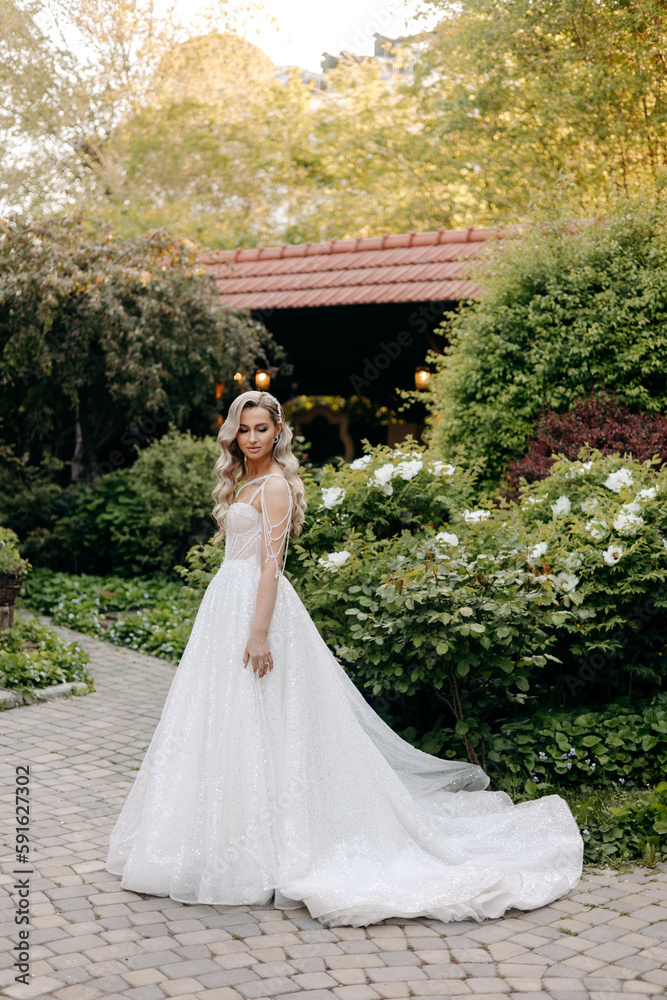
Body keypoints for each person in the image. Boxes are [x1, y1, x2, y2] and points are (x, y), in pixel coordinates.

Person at [106, 390, 583, 927]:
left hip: (256, 610)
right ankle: (220, 840)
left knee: (263, 713)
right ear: (233, 436)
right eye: (244, 430)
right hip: (225, 603)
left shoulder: (277, 487)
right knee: (224, 719)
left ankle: (269, 844)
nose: (253, 438)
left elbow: (270, 567)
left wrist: (259, 632)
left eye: (262, 428)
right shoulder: (241, 482)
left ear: (277, 433)